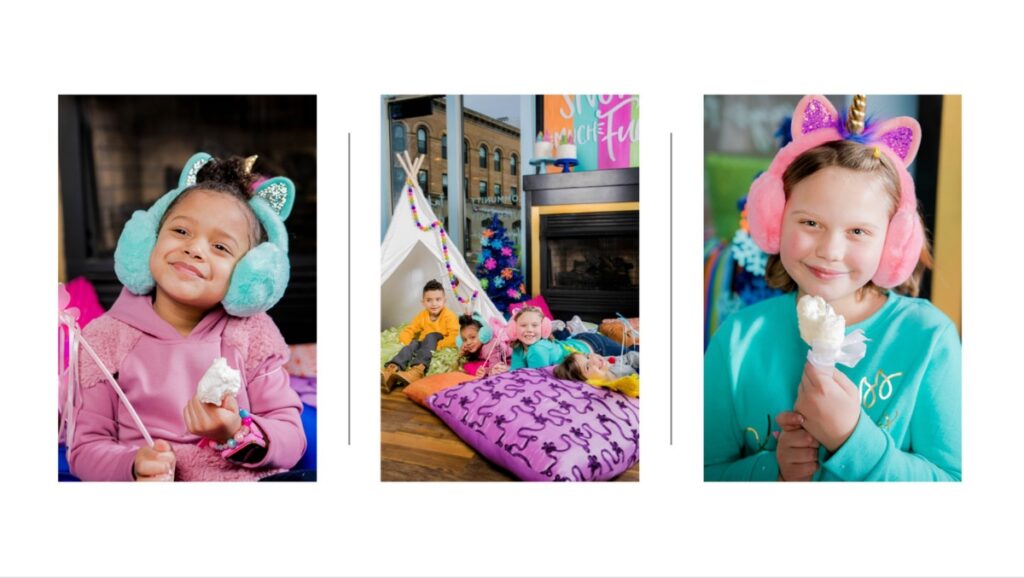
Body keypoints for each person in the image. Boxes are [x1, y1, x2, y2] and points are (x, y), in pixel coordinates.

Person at [704, 95, 961, 482]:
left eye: (858, 231)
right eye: (810, 223)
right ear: (774, 219)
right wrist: (771, 469)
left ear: (894, 243)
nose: (830, 251)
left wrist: (852, 440)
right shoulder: (736, 341)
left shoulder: (929, 339)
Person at [68, 153, 308, 481]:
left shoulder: (253, 335)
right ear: (148, 240)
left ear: (248, 275)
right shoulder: (104, 339)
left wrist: (236, 432)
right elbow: (85, 448)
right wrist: (134, 465)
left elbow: (292, 439)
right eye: (181, 231)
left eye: (221, 247)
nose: (195, 249)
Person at [494, 306, 637, 372]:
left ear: (544, 328)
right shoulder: (519, 346)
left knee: (632, 352)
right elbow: (518, 371)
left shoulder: (538, 349)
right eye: (523, 325)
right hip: (577, 339)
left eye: (535, 325)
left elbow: (537, 379)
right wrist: (504, 370)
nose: (529, 330)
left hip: (594, 345)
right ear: (514, 329)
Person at [380, 280, 459, 391]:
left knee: (431, 336)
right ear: (423, 303)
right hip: (424, 342)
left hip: (437, 340)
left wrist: (437, 346)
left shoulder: (449, 316)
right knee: (414, 343)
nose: (434, 303)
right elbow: (410, 329)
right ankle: (391, 369)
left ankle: (417, 370)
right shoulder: (422, 315)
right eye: (429, 300)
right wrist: (407, 343)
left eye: (438, 299)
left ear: (444, 301)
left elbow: (454, 336)